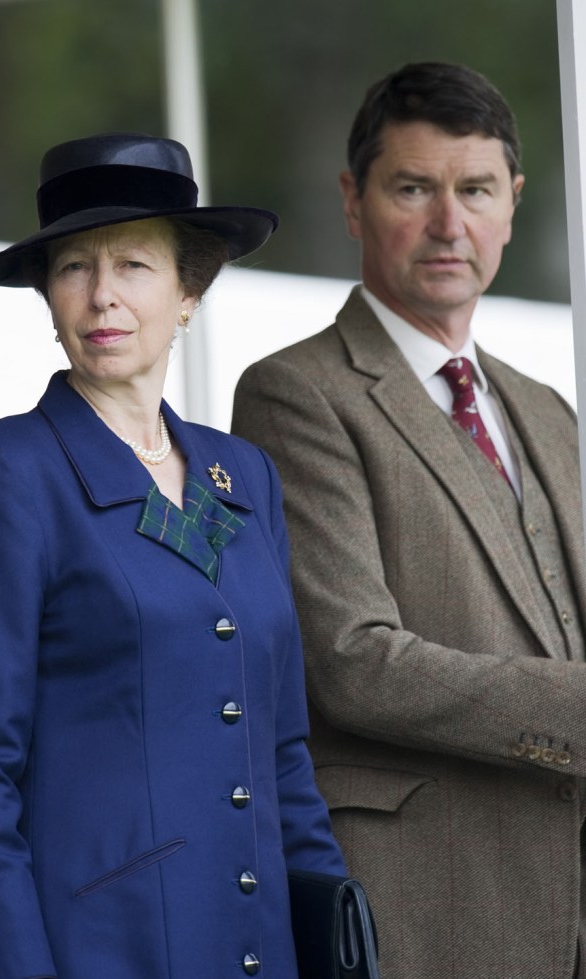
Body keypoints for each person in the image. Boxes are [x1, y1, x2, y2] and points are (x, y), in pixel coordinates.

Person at [0, 131, 347, 979]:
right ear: (48, 295)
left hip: (262, 950)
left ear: (189, 291)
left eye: (134, 266)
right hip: (100, 953)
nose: (101, 296)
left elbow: (283, 750)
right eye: (75, 267)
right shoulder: (2, 471)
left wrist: (333, 926)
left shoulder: (246, 476)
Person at [232, 61, 586, 979]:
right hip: (430, 901)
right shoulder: (293, 393)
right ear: (353, 201)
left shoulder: (548, 409)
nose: (448, 223)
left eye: (474, 190)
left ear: (512, 201)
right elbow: (352, 660)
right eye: (413, 188)